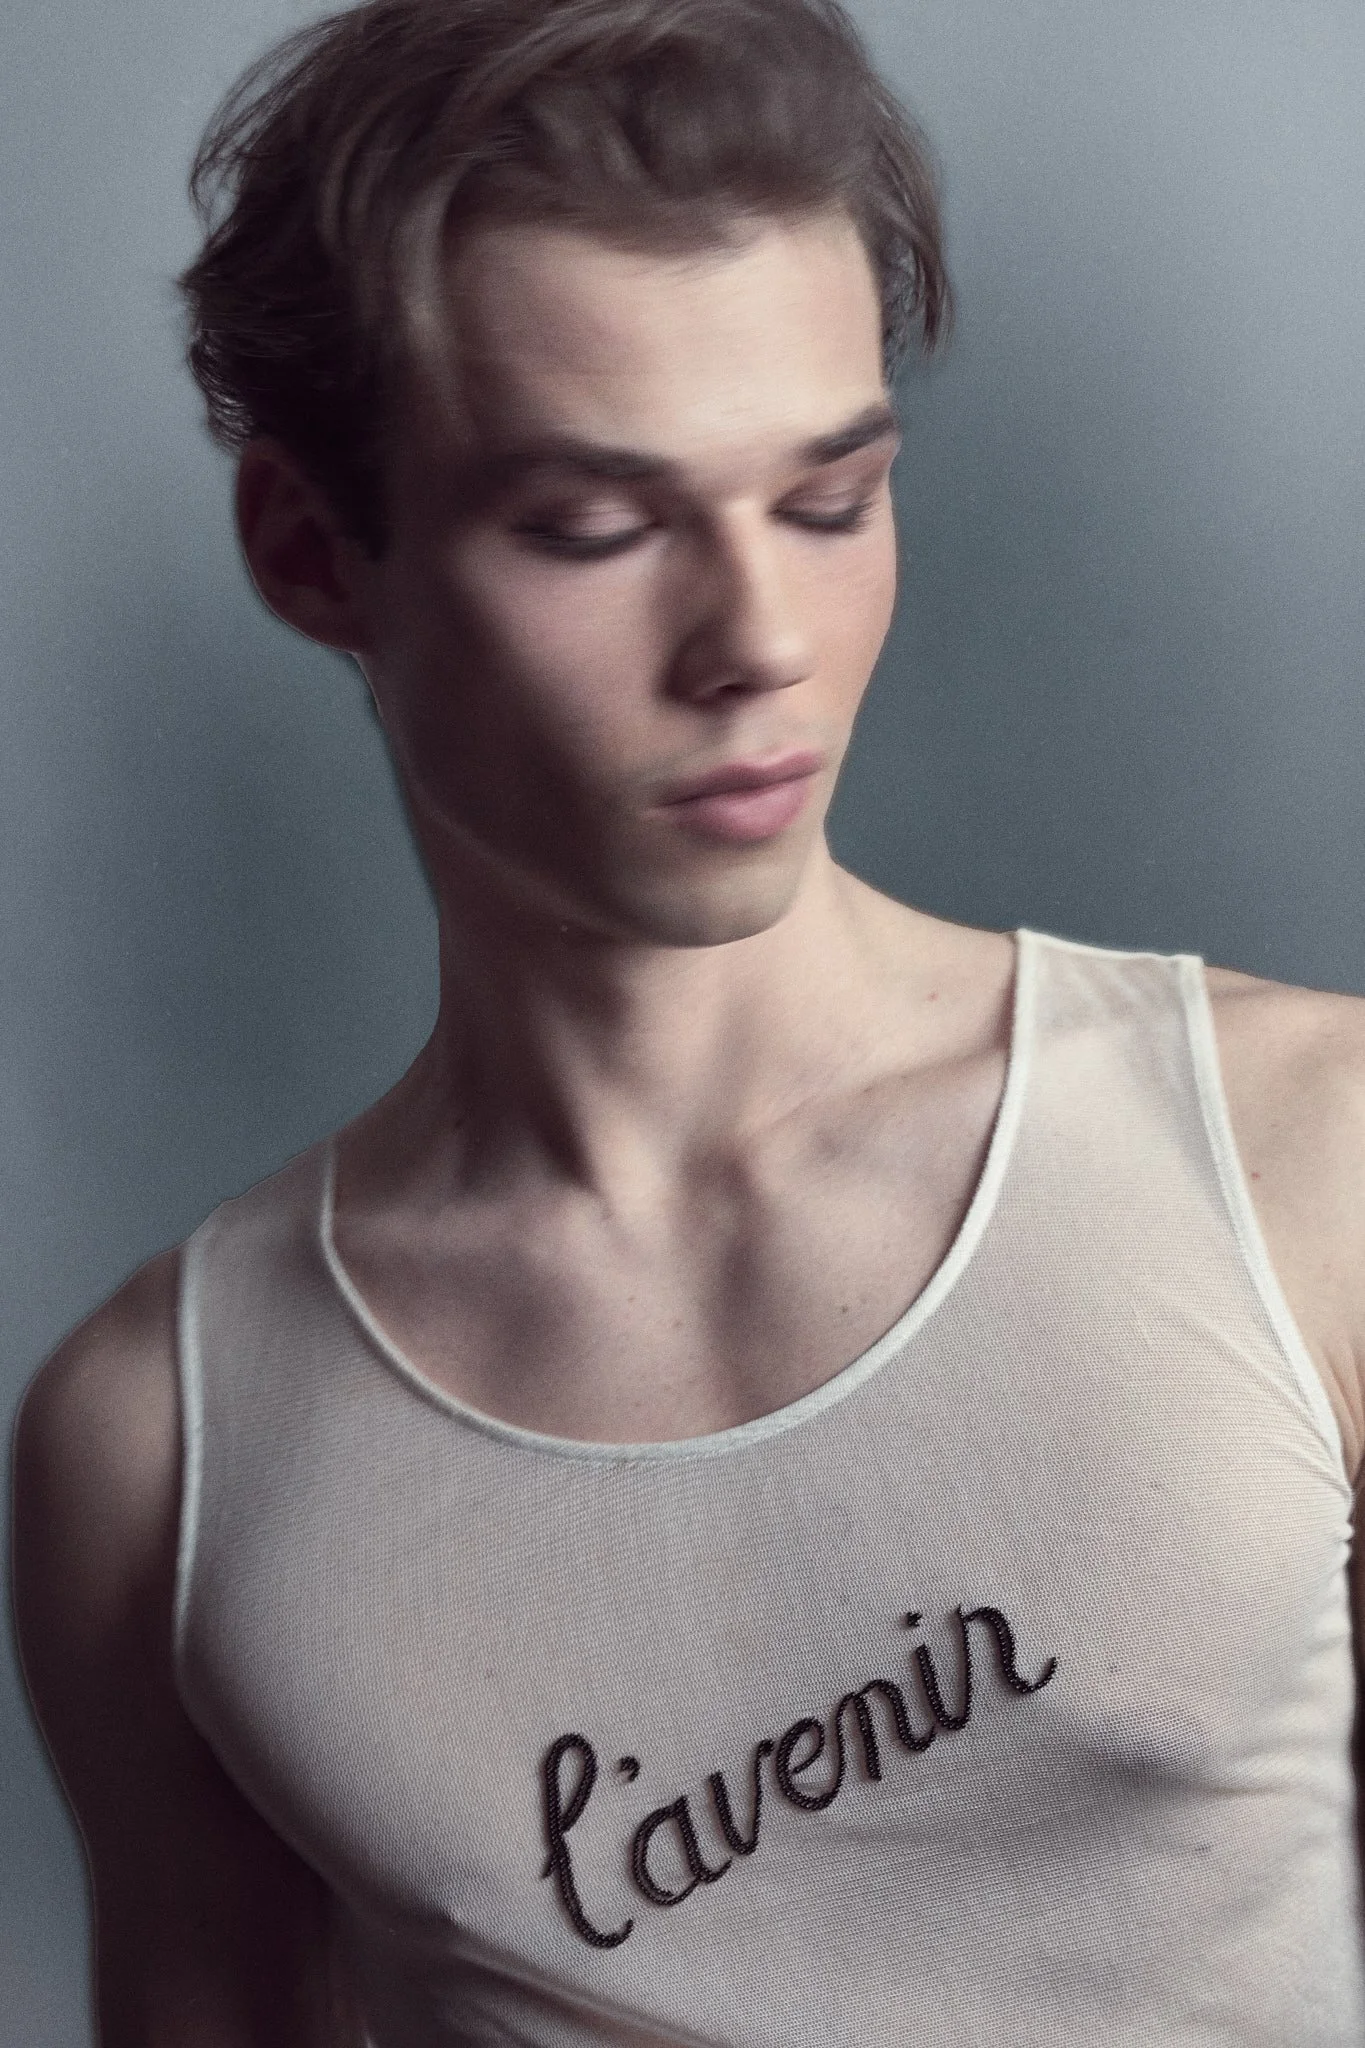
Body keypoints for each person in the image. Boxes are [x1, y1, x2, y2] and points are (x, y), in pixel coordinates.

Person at [12, 0, 1365, 2040]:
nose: (755, 641)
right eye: (594, 527)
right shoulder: (166, 1454)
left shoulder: (1310, 1163)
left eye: (828, 501)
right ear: (314, 552)